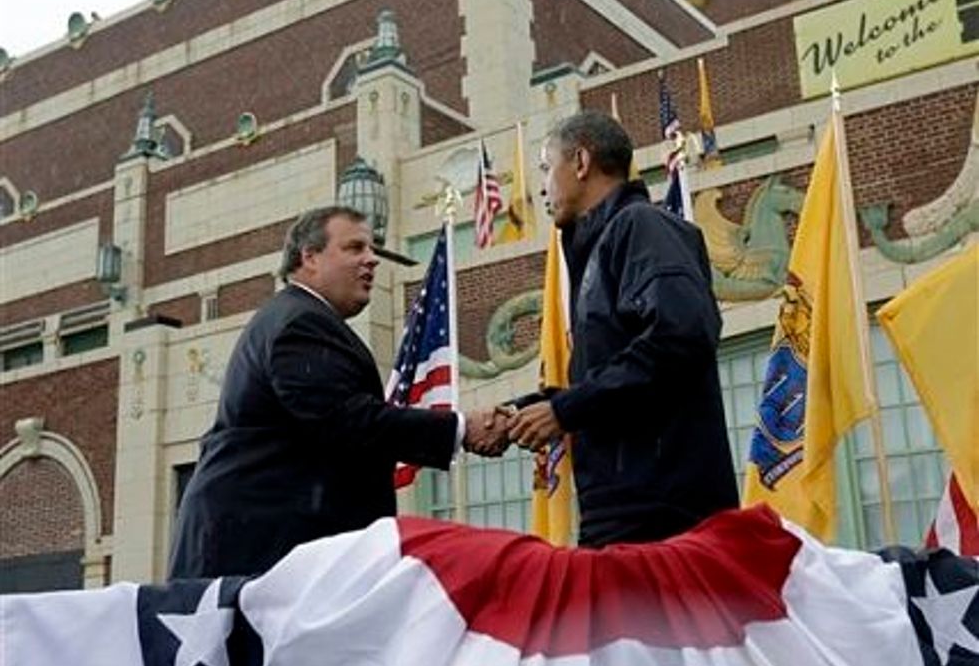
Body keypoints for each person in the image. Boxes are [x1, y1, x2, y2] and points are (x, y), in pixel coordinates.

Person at [169, 206, 504, 579]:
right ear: (309, 257)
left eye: (372, 248)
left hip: (273, 554)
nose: (372, 259)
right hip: (258, 557)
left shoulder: (302, 318)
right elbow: (350, 420)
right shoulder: (301, 323)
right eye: (355, 248)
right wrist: (460, 429)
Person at [502, 111, 739, 547]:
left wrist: (565, 411)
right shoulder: (601, 246)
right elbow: (617, 375)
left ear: (580, 162)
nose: (541, 186)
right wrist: (527, 412)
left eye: (545, 167)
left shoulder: (642, 226)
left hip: (662, 519)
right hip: (620, 514)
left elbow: (680, 336)